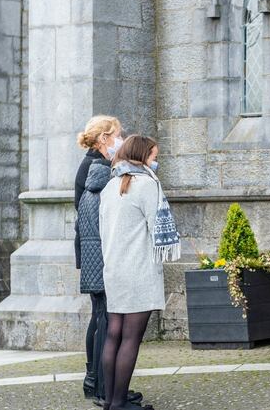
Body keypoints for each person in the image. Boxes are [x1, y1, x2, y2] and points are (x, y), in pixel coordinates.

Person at [101, 135, 180, 410]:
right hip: (138, 269)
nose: (155, 162)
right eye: (153, 157)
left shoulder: (110, 186)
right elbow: (156, 225)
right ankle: (121, 403)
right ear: (142, 156)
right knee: (131, 338)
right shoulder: (146, 184)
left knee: (114, 334)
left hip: (113, 268)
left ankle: (110, 401)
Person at [74, 115, 134, 404]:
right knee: (104, 319)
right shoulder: (96, 169)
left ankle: (96, 381)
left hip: (92, 250)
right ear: (103, 140)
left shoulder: (94, 166)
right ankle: (101, 386)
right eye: (117, 135)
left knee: (100, 318)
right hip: (97, 250)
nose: (120, 140)